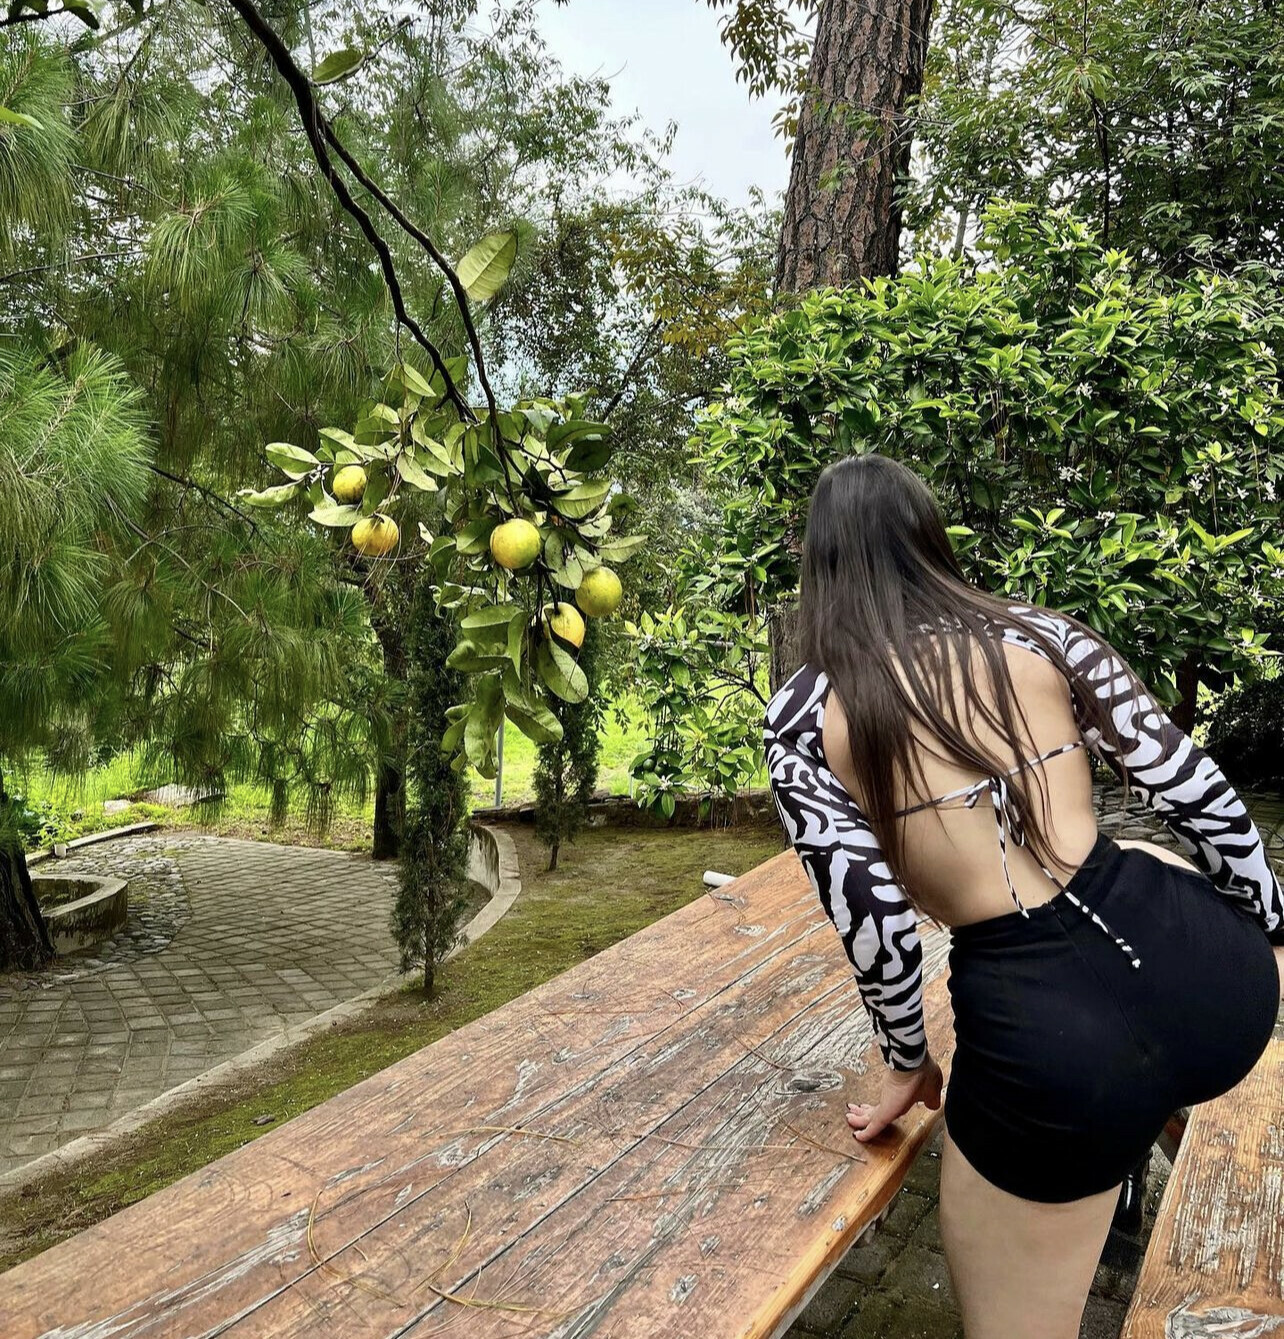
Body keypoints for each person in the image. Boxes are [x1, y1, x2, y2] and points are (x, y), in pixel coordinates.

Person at [763, 454, 1284, 1339]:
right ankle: (1142, 1139)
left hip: (1048, 1056)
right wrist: (1270, 924)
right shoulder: (1039, 631)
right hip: (1215, 984)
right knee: (1142, 860)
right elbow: (1192, 788)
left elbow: (875, 919)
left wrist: (907, 1060)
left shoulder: (805, 715)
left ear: (821, 565)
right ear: (928, 537)